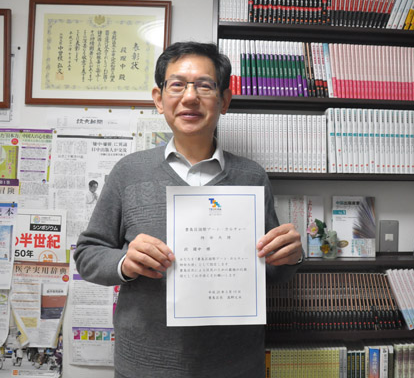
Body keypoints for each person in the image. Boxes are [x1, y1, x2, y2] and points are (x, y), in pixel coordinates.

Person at [74, 42, 303, 378]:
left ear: (224, 100)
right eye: (177, 85)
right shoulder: (128, 172)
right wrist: (125, 262)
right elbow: (87, 254)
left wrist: (290, 257)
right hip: (144, 366)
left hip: (234, 365)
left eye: (205, 86)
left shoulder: (251, 176)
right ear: (159, 98)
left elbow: (270, 271)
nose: (190, 97)